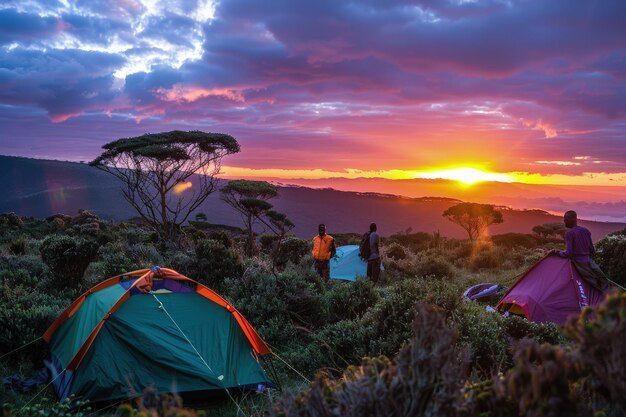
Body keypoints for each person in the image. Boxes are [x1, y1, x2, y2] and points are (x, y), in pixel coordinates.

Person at [552, 210, 609, 291]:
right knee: (603, 280)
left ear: (573, 219)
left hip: (579, 264)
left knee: (594, 285)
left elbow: (568, 253)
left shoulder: (569, 233)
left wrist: (558, 253)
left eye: (565, 219)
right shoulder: (586, 231)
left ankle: (602, 300)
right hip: (589, 262)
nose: (564, 221)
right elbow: (592, 249)